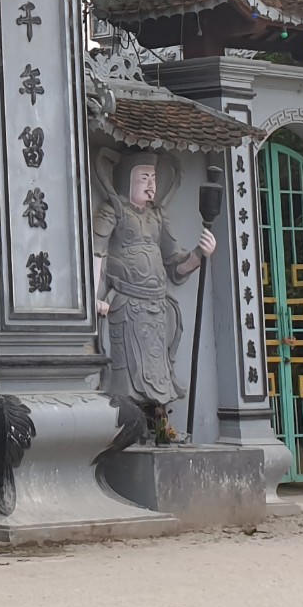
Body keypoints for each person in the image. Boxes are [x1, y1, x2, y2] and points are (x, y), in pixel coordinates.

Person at [92, 151, 214, 439]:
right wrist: (94, 296)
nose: (150, 185)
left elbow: (175, 263)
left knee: (159, 370)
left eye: (153, 178)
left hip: (156, 306)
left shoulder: (158, 216)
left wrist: (200, 254)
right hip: (125, 304)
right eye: (143, 178)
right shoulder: (112, 211)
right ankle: (126, 428)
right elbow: (96, 252)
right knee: (127, 372)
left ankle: (159, 426)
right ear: (127, 179)